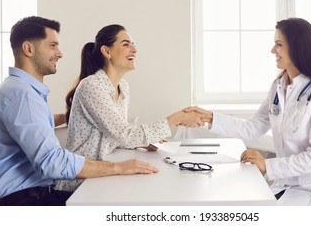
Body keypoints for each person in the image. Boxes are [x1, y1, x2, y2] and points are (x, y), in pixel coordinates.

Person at [0, 16, 161, 206]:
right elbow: (52, 162)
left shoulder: (20, 90)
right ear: (29, 49)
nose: (60, 53)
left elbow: (32, 125)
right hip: (25, 201)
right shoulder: (22, 95)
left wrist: (66, 116)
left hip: (33, 194)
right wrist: (117, 167)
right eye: (52, 45)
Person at [188, 18, 311, 206]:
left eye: (279, 44)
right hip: (287, 184)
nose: (273, 50)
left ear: (297, 47)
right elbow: (252, 128)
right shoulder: (278, 87)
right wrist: (209, 117)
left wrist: (267, 165)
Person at [56, 24, 203, 192]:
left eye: (133, 44)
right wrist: (175, 119)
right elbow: (124, 135)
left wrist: (141, 143)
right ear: (107, 51)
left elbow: (116, 135)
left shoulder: (123, 87)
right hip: (80, 182)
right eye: (126, 44)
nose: (134, 49)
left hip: (103, 174)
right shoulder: (91, 86)